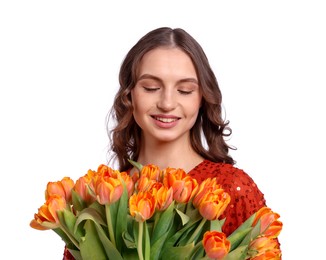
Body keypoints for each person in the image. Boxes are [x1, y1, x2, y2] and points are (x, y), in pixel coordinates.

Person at [64, 27, 281, 259]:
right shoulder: (104, 199)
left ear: (201, 99)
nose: (167, 103)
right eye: (151, 88)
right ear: (129, 95)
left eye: (185, 90)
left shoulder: (230, 189)